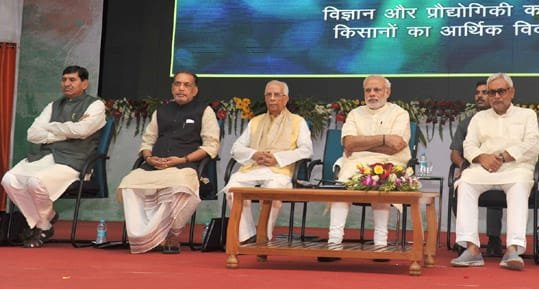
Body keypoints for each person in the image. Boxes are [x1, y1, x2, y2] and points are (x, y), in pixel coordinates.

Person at [2, 65, 106, 248]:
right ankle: (45, 220)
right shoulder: (54, 105)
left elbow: (82, 131)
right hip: (47, 156)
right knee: (9, 179)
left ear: (84, 83)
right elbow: (33, 134)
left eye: (72, 80)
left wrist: (50, 128)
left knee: (35, 182)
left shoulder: (95, 105)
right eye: (64, 79)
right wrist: (66, 130)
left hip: (75, 162)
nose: (67, 83)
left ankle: (43, 224)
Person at [117, 71, 220, 254]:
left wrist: (183, 159)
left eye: (186, 85)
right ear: (172, 88)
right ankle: (142, 235)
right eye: (177, 84)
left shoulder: (205, 111)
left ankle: (170, 233)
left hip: (183, 165)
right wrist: (149, 158)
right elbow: (147, 142)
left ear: (195, 90)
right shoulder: (161, 111)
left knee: (180, 186)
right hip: (153, 165)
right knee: (128, 185)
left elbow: (211, 146)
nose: (181, 88)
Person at [450, 73, 539, 271]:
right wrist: (483, 158)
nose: (497, 96)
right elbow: (469, 145)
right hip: (484, 167)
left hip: (516, 167)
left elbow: (532, 145)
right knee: (465, 183)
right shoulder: (478, 117)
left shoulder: (527, 115)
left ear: (512, 92)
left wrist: (506, 156)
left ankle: (513, 249)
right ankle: (472, 249)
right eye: (492, 92)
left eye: (501, 91)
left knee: (519, 186)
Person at [326, 75, 411, 251]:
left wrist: (362, 145)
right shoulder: (355, 114)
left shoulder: (399, 114)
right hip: (354, 164)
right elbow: (349, 143)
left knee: (381, 179)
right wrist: (383, 138)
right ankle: (334, 243)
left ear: (387, 92)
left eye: (377, 90)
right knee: (341, 189)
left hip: (388, 161)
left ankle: (381, 244)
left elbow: (395, 146)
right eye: (368, 90)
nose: (372, 94)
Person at [223, 80, 312, 244]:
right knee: (233, 189)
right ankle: (247, 235)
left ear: (285, 99)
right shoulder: (255, 121)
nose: (272, 99)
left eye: (277, 95)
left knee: (272, 191)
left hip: (280, 171)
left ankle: (265, 236)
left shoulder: (298, 121)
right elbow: (236, 147)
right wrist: (254, 154)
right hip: (253, 168)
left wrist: (277, 158)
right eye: (268, 95)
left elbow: (306, 150)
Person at [450, 81, 505, 257]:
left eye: (484, 92)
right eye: (477, 93)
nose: (480, 96)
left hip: (498, 168)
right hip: (472, 168)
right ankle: (467, 240)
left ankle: (494, 238)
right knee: (460, 185)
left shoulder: (504, 121)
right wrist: (463, 166)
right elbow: (455, 153)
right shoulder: (467, 122)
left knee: (495, 185)